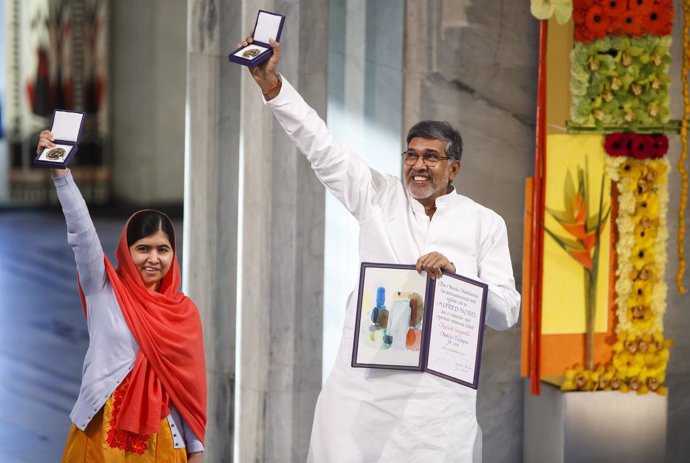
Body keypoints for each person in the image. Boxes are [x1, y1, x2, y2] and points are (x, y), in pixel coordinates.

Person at [241, 35, 521, 463]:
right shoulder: (377, 195)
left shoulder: (485, 222)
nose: (418, 165)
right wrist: (272, 86)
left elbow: (506, 312)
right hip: (365, 386)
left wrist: (458, 278)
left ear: (454, 168)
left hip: (438, 400)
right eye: (411, 155)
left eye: (431, 157)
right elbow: (321, 146)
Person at [37, 131, 207, 462]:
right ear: (126, 252)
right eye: (143, 249)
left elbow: (189, 393)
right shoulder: (104, 288)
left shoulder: (184, 314)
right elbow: (82, 232)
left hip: (162, 445)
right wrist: (61, 173)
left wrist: (196, 452)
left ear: (174, 255)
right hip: (101, 436)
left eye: (163, 249)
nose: (153, 259)